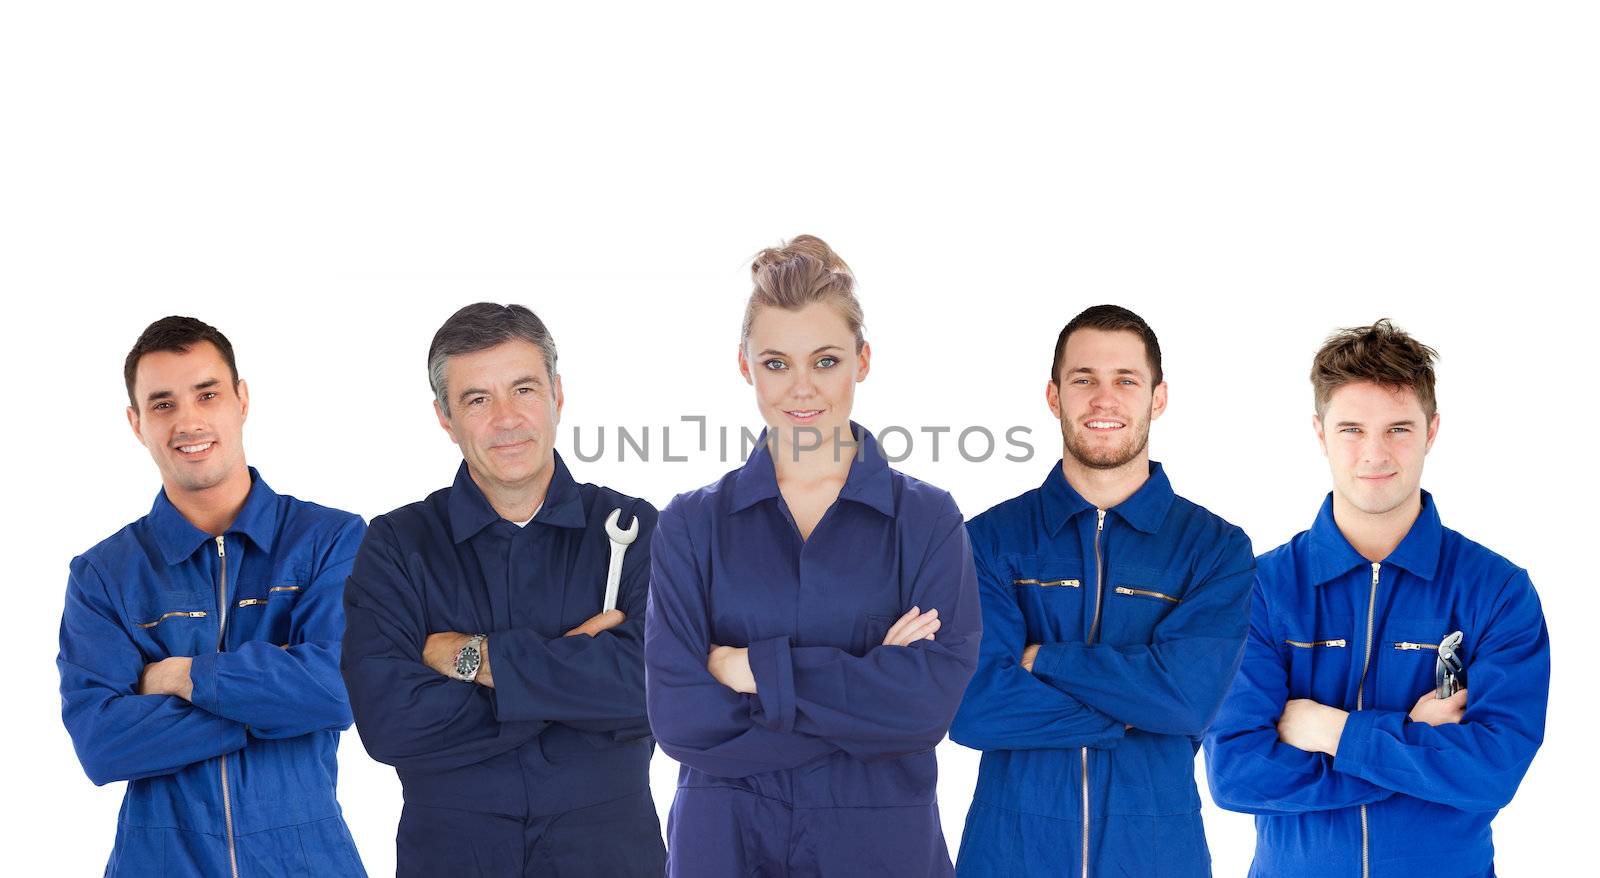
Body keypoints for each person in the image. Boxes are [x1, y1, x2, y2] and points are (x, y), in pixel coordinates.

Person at [645, 235, 981, 876]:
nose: (801, 389)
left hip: (879, 849)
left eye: (825, 361)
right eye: (776, 363)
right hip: (726, 844)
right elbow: (681, 721)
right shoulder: (690, 525)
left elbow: (924, 710)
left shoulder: (927, 521)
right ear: (745, 366)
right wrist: (866, 686)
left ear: (863, 360)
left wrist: (751, 670)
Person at [1203, 319, 1550, 877]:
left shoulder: (1498, 591)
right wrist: (1417, 752)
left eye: (1398, 429)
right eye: (1351, 429)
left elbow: (1494, 771)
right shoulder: (1259, 590)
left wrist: (1329, 732)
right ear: (1319, 432)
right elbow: (1238, 774)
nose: (1374, 453)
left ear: (1432, 430)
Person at [341, 303, 665, 877]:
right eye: (478, 400)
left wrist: (469, 658)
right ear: (445, 416)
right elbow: (389, 722)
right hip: (451, 854)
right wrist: (580, 682)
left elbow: (661, 690)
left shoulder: (635, 529)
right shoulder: (395, 545)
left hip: (613, 854)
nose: (507, 419)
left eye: (523, 390)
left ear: (557, 395)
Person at [948, 305, 1255, 877]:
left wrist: (1042, 659)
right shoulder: (987, 540)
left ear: (1157, 398)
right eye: (1083, 380)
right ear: (1053, 396)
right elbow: (973, 709)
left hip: (1157, 859)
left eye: (1125, 381)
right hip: (1009, 854)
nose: (1103, 399)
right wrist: (1139, 714)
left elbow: (1188, 700)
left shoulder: (1215, 549)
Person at [58, 316, 368, 877]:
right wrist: (276, 707)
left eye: (207, 394)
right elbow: (102, 745)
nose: (188, 421)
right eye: (162, 404)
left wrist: (184, 677)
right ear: (136, 423)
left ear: (241, 399)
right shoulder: (103, 575)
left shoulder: (330, 540)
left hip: (308, 863)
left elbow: (343, 690)